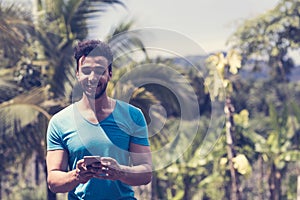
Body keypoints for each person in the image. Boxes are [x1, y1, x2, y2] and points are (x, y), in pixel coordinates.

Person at [46, 40, 152, 199]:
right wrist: (78, 175)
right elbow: (53, 181)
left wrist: (120, 172)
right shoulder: (59, 122)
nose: (92, 77)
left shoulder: (133, 116)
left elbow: (146, 173)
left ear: (109, 73)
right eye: (86, 70)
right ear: (77, 73)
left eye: (99, 71)